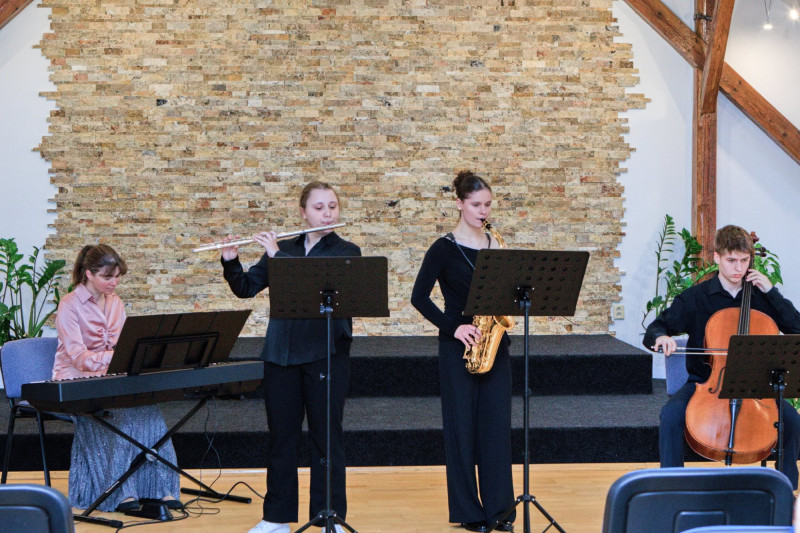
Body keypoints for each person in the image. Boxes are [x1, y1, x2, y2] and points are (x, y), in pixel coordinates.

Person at [220, 182, 360, 533]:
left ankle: (329, 517)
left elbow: (305, 285)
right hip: (281, 355)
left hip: (325, 354)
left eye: (332, 206)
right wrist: (231, 260)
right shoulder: (285, 247)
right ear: (303, 213)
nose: (327, 214)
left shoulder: (346, 251)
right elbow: (246, 288)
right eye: (319, 208)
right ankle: (276, 518)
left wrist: (275, 256)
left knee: (326, 438)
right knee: (281, 438)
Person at [644, 225, 800, 488]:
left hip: (755, 388)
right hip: (705, 384)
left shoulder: (762, 297)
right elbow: (656, 328)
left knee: (793, 422)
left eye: (744, 260)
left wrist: (771, 292)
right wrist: (661, 337)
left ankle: (786, 488)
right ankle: (671, 485)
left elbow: (796, 328)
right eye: (731, 260)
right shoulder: (696, 298)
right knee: (670, 417)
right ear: (716, 257)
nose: (739, 268)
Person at [411, 170, 515, 533]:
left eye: (487, 204)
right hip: (457, 347)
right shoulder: (442, 248)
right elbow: (419, 297)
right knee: (461, 432)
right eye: (475, 205)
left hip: (494, 346)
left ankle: (500, 510)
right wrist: (454, 328)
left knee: (496, 431)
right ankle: (470, 512)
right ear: (459, 203)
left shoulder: (496, 244)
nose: (483, 211)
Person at [54, 244, 181, 512]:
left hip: (110, 378)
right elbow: (79, 358)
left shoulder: (115, 303)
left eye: (117, 276)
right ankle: (119, 492)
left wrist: (127, 356)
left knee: (149, 411)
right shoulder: (69, 305)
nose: (114, 282)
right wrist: (117, 357)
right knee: (117, 416)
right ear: (89, 274)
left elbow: (125, 345)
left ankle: (159, 488)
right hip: (75, 381)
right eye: (107, 277)